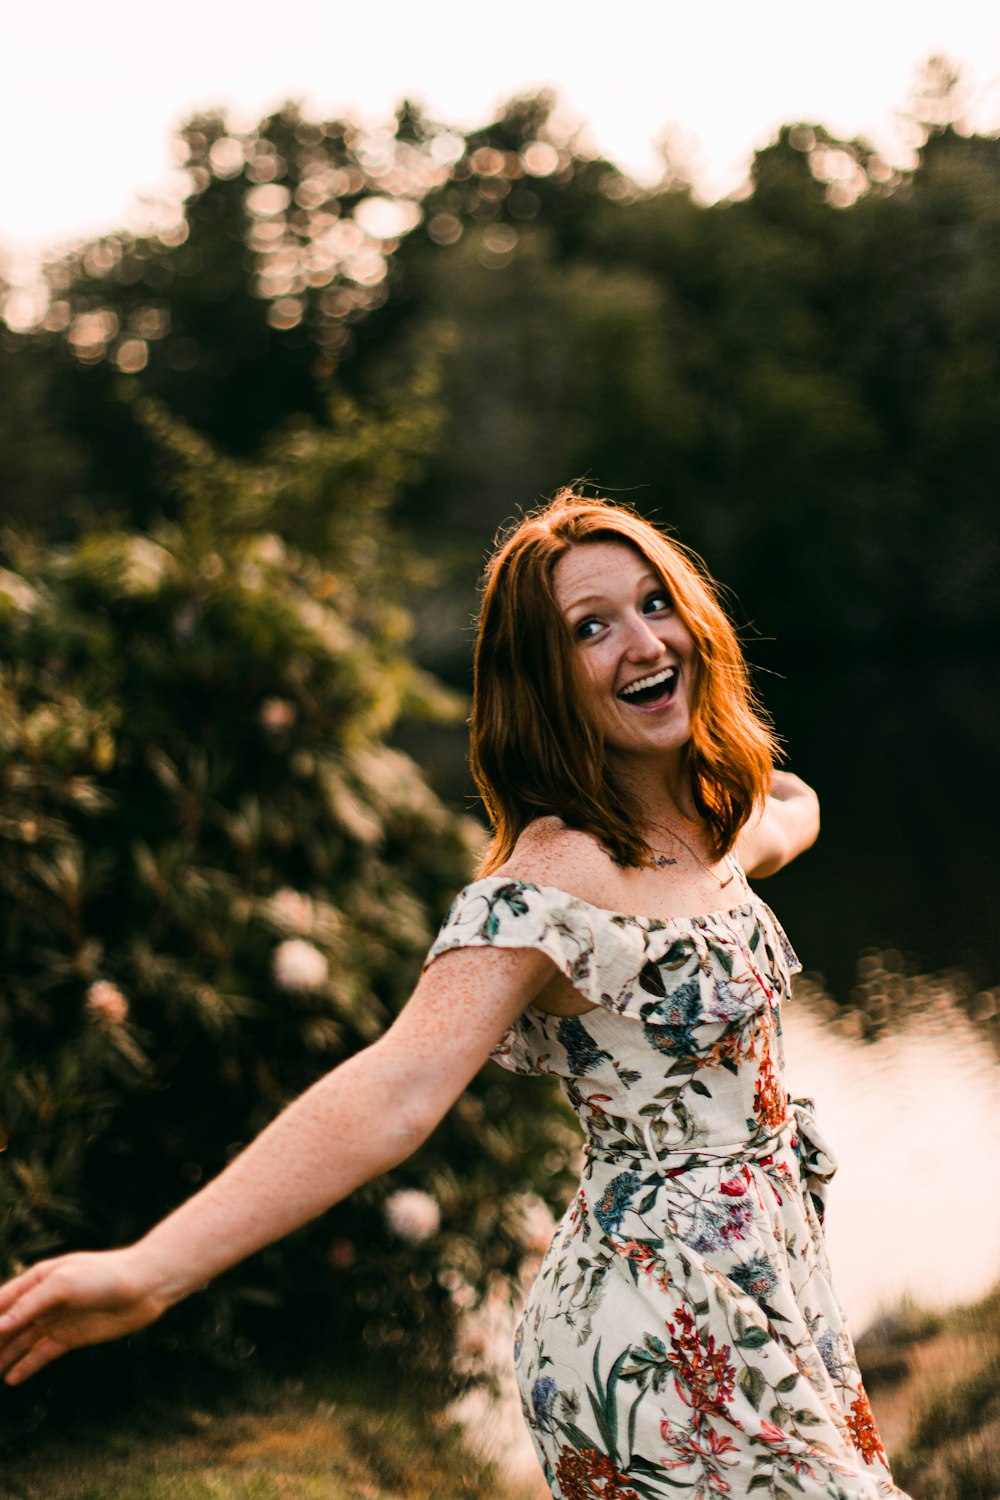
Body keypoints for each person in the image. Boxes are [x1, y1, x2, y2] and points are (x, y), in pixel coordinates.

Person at [0, 492, 905, 1499]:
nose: (644, 641)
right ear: (542, 679)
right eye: (589, 628)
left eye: (655, 602)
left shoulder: (703, 830)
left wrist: (752, 836)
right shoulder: (550, 880)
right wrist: (152, 1269)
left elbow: (789, 807)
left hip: (766, 1286)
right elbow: (394, 1087)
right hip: (658, 1319)